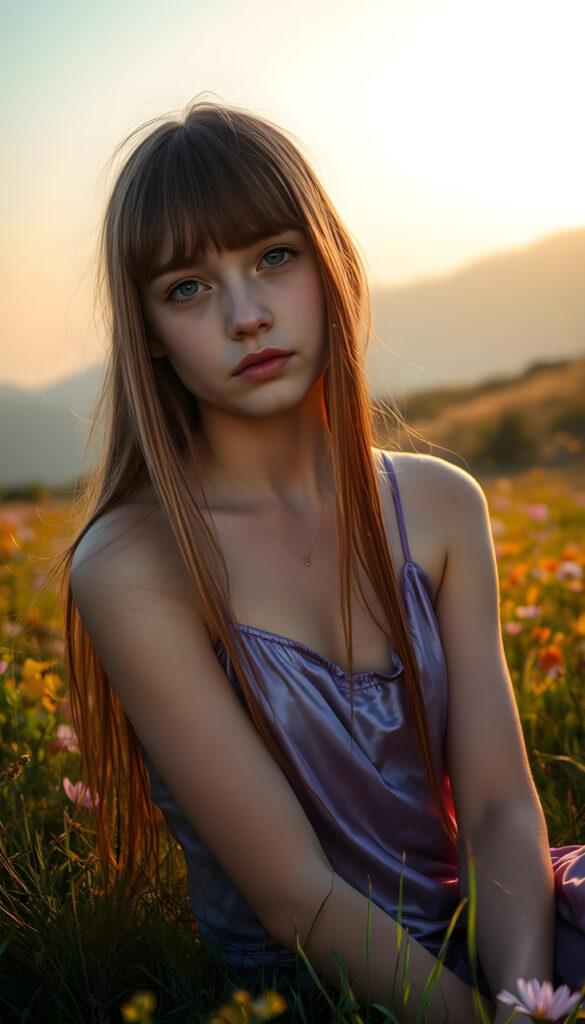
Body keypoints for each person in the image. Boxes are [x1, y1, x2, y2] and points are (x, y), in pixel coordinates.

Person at [64, 101, 585, 1022]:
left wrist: (523, 1001)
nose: (246, 315)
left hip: (498, 925)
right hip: (316, 986)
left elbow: (502, 810)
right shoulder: (132, 566)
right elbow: (293, 892)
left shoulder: (437, 505)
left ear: (328, 262)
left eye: (273, 257)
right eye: (187, 287)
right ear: (147, 331)